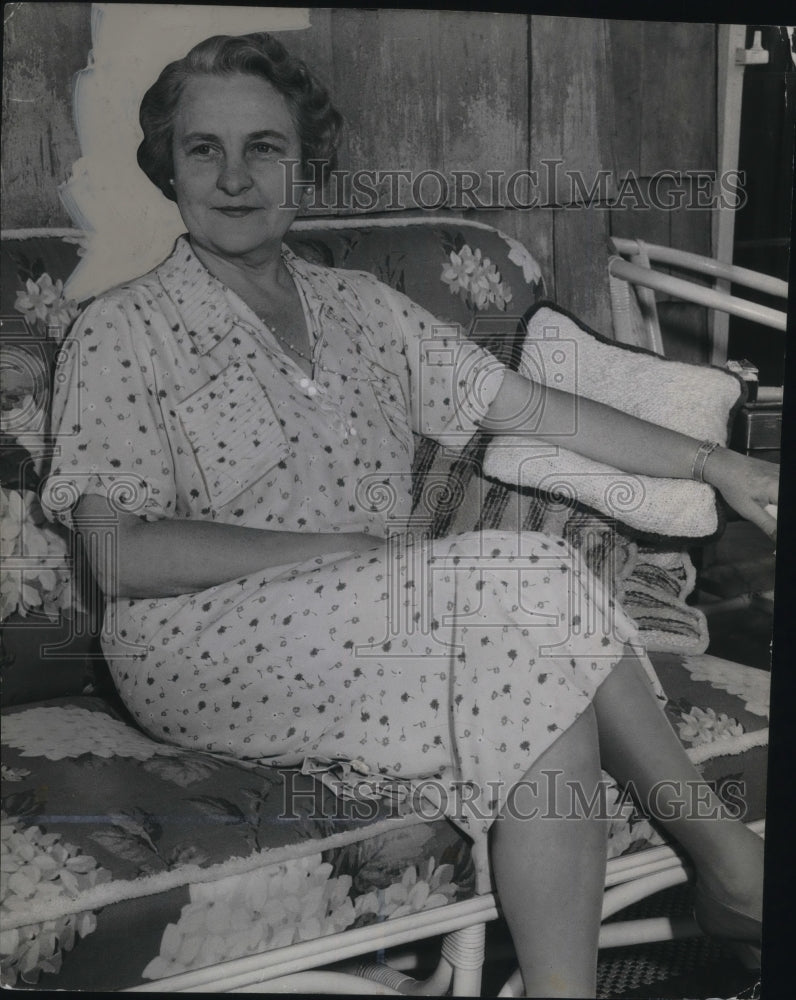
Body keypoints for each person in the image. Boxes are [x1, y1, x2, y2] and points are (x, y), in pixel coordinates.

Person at [43, 32, 777, 998]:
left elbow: (537, 410)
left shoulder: (362, 309)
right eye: (202, 149)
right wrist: (342, 549)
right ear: (166, 167)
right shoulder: (122, 328)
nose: (233, 176)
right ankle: (733, 867)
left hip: (370, 616)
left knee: (528, 657)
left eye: (263, 147)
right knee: (523, 575)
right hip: (197, 641)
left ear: (305, 163)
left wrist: (717, 462)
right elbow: (113, 556)